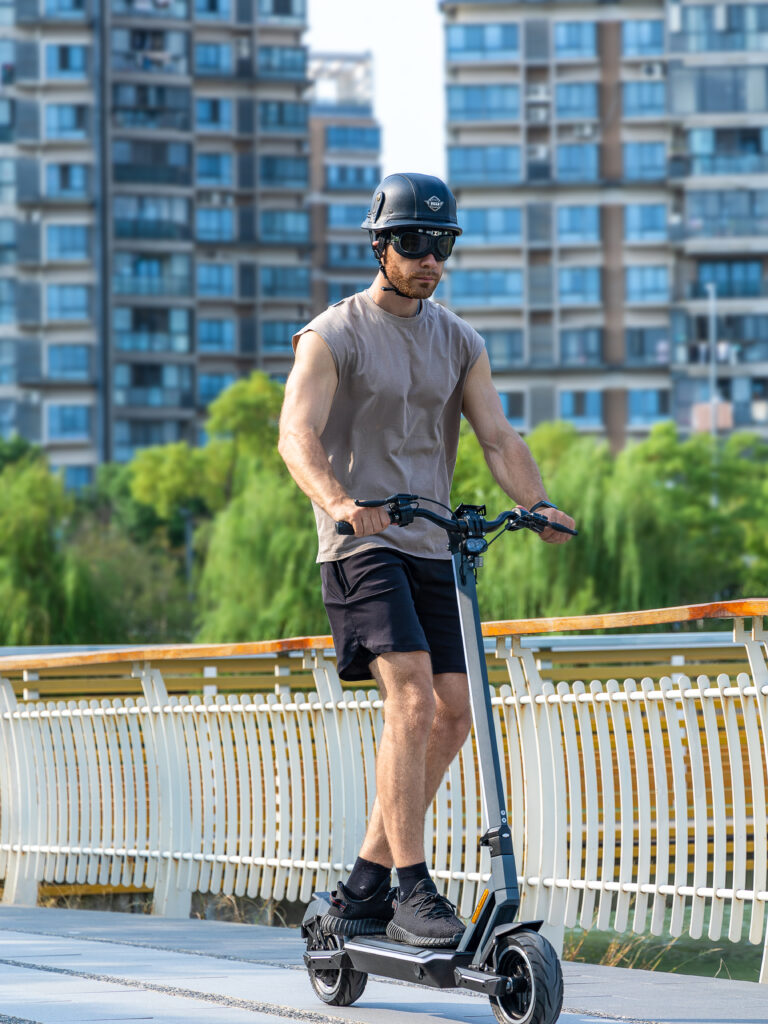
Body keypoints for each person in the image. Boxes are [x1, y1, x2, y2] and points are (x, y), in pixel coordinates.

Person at [278, 172, 575, 948]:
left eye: (441, 244)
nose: (428, 258)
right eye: (413, 241)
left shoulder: (459, 339)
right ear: (380, 245)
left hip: (431, 543)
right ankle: (414, 889)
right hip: (362, 544)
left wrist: (538, 503)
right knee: (409, 702)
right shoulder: (332, 334)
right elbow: (296, 436)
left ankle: (365, 884)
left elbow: (497, 437)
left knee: (456, 709)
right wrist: (340, 501)